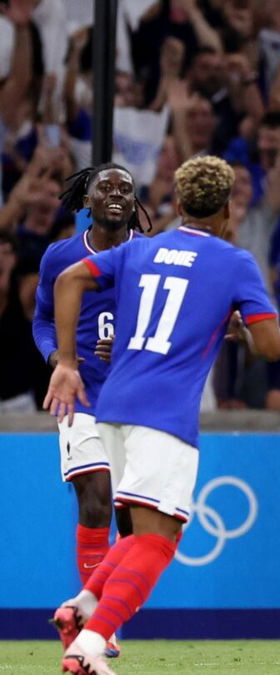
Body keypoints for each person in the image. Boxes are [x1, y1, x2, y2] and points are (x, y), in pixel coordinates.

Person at [45, 156, 280, 674]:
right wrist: (243, 323)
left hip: (111, 407)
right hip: (164, 414)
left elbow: (68, 280)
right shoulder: (234, 261)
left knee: (135, 536)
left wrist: (65, 362)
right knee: (159, 539)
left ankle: (81, 608)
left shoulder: (141, 249)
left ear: (176, 205)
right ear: (228, 208)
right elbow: (271, 347)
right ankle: (89, 647)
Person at [32, 163, 149, 658]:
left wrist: (131, 346)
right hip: (80, 397)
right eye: (106, 187)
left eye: (126, 187)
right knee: (95, 497)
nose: (117, 194)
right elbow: (41, 320)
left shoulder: (151, 255)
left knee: (132, 525)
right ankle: (100, 627)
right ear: (87, 200)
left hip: (136, 403)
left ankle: (99, 607)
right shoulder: (60, 256)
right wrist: (61, 360)